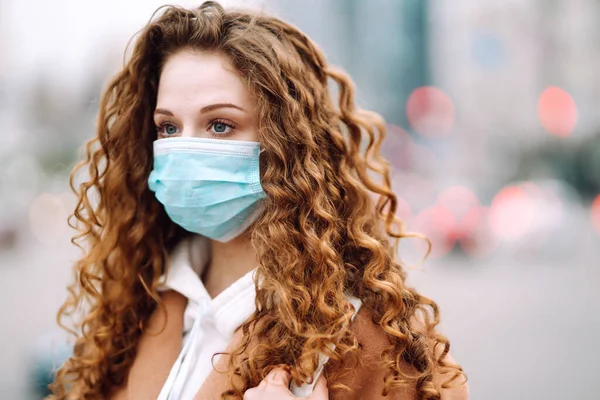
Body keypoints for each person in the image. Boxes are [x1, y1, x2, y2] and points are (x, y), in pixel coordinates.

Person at [48, 2, 468, 399]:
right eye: (169, 128)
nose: (186, 148)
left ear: (289, 143)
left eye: (219, 125)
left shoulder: (374, 338)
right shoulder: (141, 302)